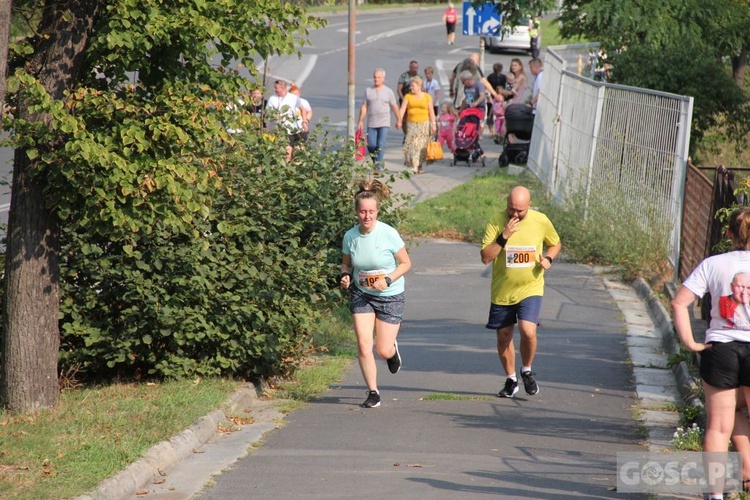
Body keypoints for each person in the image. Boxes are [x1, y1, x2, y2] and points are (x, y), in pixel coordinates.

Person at [671, 207, 750, 500]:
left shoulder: (712, 264)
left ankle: (715, 494)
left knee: (718, 426)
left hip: (721, 349)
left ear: (728, 234)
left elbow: (679, 303)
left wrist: (691, 343)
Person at [480, 186, 561, 398]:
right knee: (504, 336)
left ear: (529, 206)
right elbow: (486, 257)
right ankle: (511, 380)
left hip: (531, 287)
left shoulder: (540, 220)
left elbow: (555, 243)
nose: (515, 214)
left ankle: (526, 371)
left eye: (520, 211)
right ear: (506, 204)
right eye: (511, 209)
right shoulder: (495, 221)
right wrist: (503, 236)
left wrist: (549, 258)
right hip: (503, 290)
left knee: (528, 330)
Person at [340, 179, 412, 409]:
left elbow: (406, 263)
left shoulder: (389, 233)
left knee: (382, 349)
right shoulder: (350, 236)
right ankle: (373, 392)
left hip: (390, 295)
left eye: (371, 212)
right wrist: (345, 276)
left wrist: (388, 279)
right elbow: (346, 264)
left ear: (377, 212)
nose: (367, 216)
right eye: (362, 212)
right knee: (363, 345)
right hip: (362, 294)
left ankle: (391, 352)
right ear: (356, 213)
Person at [357, 69, 400, 175]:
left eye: (378, 77)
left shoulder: (388, 91)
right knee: (371, 145)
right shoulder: (368, 90)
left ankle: (378, 167)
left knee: (380, 144)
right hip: (372, 122)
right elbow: (364, 106)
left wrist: (399, 119)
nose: (376, 79)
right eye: (375, 77)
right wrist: (360, 120)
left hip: (384, 122)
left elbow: (394, 106)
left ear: (383, 79)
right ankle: (375, 161)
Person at [397, 76, 436, 174]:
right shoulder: (408, 97)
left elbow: (431, 112)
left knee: (422, 146)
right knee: (414, 145)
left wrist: (433, 124)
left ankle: (419, 165)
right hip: (412, 125)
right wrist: (399, 120)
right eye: (411, 86)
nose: (411, 88)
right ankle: (414, 166)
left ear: (419, 86)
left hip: (424, 125)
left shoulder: (427, 97)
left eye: (413, 86)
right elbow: (402, 109)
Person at [265, 79, 307, 162]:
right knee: (286, 151)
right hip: (279, 129)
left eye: (276, 88)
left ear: (282, 88)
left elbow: (303, 109)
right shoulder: (272, 99)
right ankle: (286, 167)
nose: (274, 89)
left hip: (293, 127)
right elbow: (268, 112)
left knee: (298, 151)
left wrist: (304, 121)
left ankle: (295, 167)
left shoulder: (293, 98)